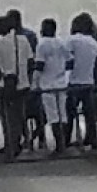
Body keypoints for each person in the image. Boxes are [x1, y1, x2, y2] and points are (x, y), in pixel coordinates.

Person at [0, 15, 33, 160]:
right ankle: (23, 141)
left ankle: (11, 144)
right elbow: (30, 61)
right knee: (20, 114)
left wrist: (3, 80)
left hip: (7, 85)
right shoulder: (23, 40)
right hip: (23, 84)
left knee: (7, 117)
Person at [66, 13, 97, 149]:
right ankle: (93, 139)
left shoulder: (72, 40)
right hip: (89, 82)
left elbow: (67, 60)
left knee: (69, 113)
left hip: (74, 82)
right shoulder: (94, 43)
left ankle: (65, 139)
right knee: (90, 114)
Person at [35, 19, 70, 154]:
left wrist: (35, 82)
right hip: (61, 82)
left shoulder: (42, 44)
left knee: (53, 116)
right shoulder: (61, 43)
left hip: (47, 84)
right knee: (62, 114)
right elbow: (70, 61)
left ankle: (59, 145)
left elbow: (40, 65)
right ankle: (64, 143)